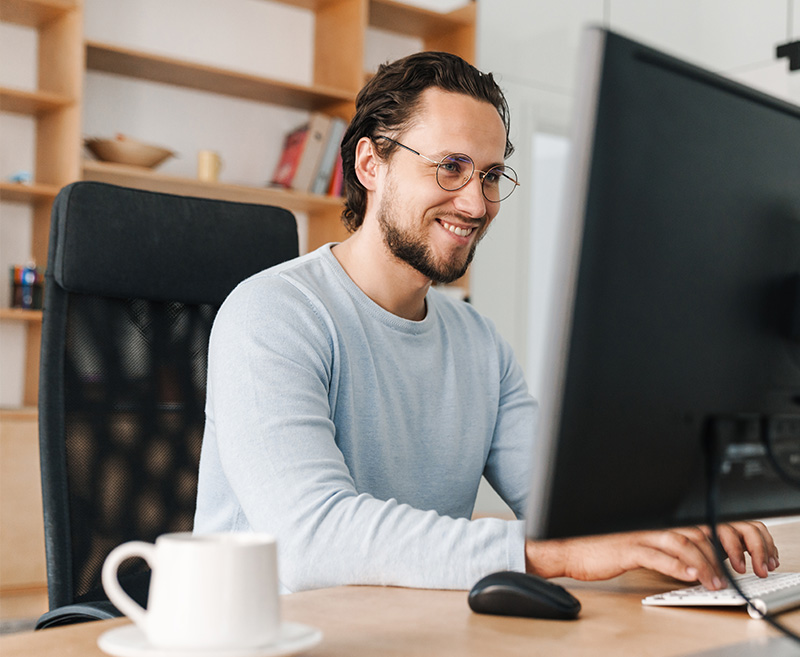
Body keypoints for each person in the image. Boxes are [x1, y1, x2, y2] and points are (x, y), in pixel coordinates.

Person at [194, 51, 778, 593]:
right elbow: (310, 540)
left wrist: (680, 519)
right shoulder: (274, 314)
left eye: (491, 175)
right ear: (371, 164)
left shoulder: (477, 342)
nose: (476, 204)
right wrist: (552, 551)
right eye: (451, 167)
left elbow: (562, 502)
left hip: (409, 631)